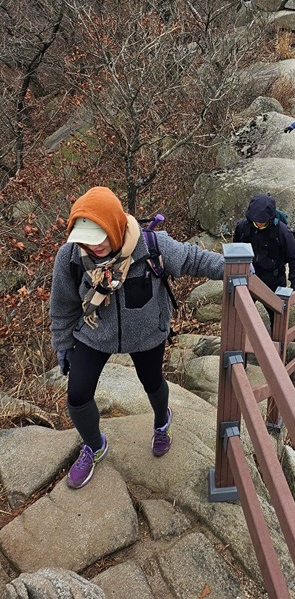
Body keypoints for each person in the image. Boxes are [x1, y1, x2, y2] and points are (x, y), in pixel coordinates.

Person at [50, 186, 225, 489]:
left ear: (115, 225)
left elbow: (194, 259)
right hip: (94, 333)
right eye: (88, 241)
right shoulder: (71, 257)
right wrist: (63, 343)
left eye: (101, 237)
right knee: (77, 396)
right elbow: (62, 305)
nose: (96, 247)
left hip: (146, 335)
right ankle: (94, 445)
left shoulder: (152, 246)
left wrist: (238, 269)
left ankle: (162, 421)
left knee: (152, 383)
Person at [233, 195, 295, 328]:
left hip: (274, 279)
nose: (259, 223)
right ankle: (240, 345)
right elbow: (236, 251)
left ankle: (276, 347)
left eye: (263, 221)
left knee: (277, 317)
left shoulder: (282, 231)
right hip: (250, 278)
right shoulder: (243, 227)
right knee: (239, 313)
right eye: (257, 220)